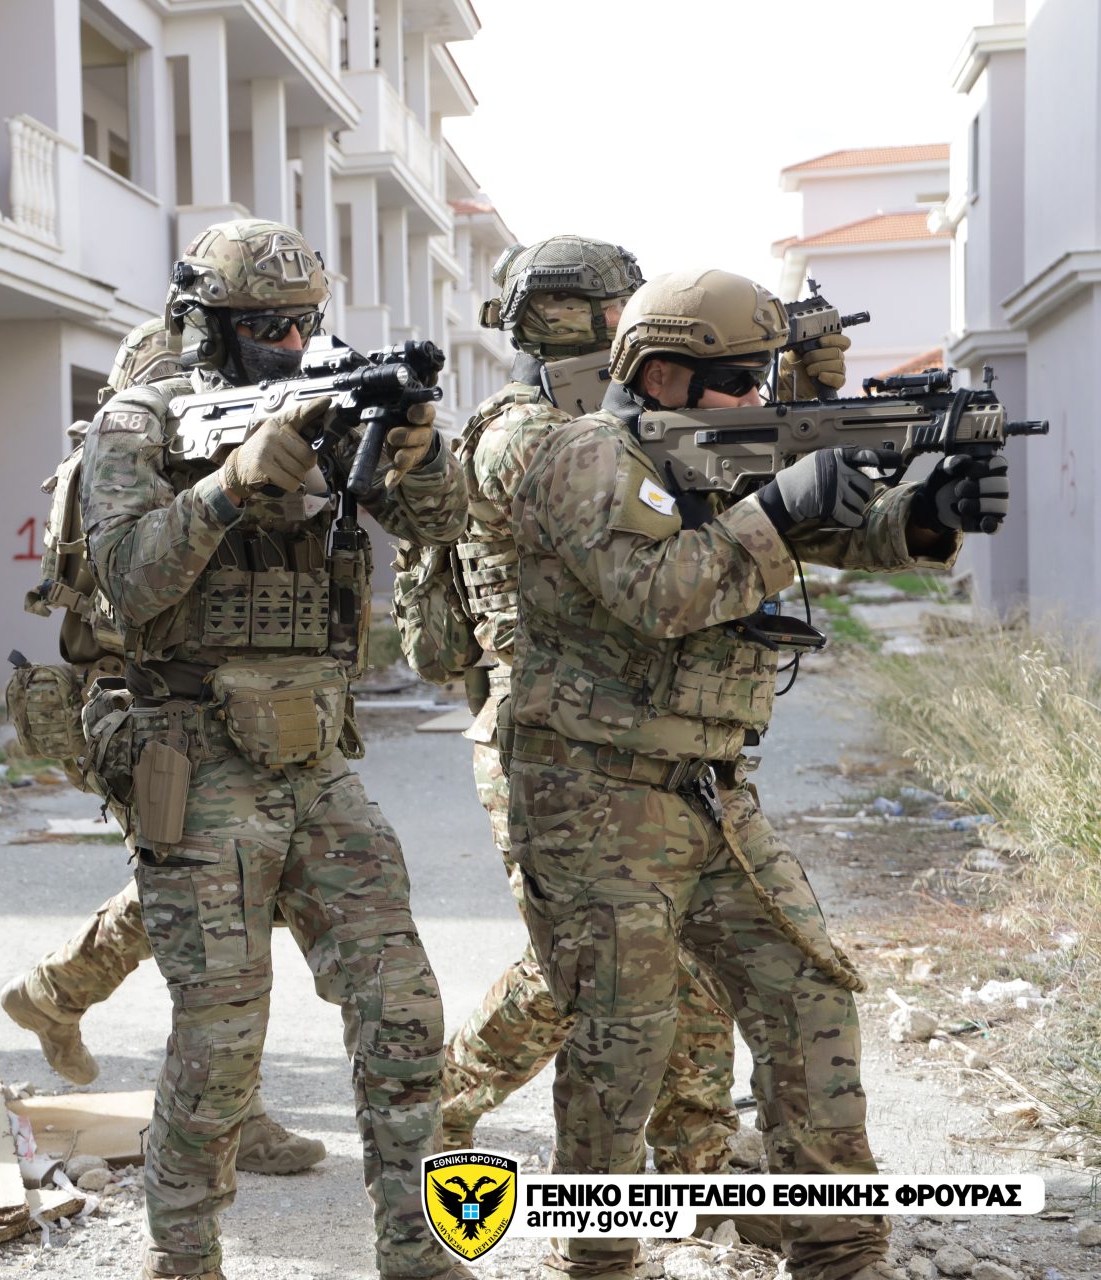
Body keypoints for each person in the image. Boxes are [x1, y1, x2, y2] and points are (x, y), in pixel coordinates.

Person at [505, 268, 1007, 1280]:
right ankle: (593, 1256)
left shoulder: (714, 457)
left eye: (761, 376)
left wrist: (926, 511)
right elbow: (659, 591)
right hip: (592, 794)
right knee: (624, 1035)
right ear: (661, 375)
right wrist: (783, 503)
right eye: (736, 379)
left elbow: (836, 531)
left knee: (807, 992)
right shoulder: (584, 455)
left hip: (710, 788)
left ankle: (838, 1245)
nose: (756, 396)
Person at [77, 219, 467, 1280]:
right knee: (220, 1037)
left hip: (316, 757)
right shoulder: (139, 421)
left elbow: (442, 524)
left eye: (303, 324)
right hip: (190, 752)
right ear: (207, 327)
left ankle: (417, 1246)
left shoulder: (331, 403)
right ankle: (184, 1256)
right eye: (266, 328)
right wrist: (228, 484)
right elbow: (129, 580)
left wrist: (418, 447)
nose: (292, 344)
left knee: (403, 1006)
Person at [430, 234, 850, 1170]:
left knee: (660, 967)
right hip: (553, 729)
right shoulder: (531, 437)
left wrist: (801, 414)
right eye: (612, 308)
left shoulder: (644, 428)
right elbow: (657, 560)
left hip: (658, 728)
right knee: (598, 975)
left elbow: (727, 492)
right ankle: (443, 1099)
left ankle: (696, 1154)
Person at [0, 316, 327, 1176]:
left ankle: (53, 993)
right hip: (142, 711)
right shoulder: (112, 463)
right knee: (220, 913)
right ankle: (237, 1117)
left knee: (214, 891)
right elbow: (126, 597)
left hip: (201, 713)